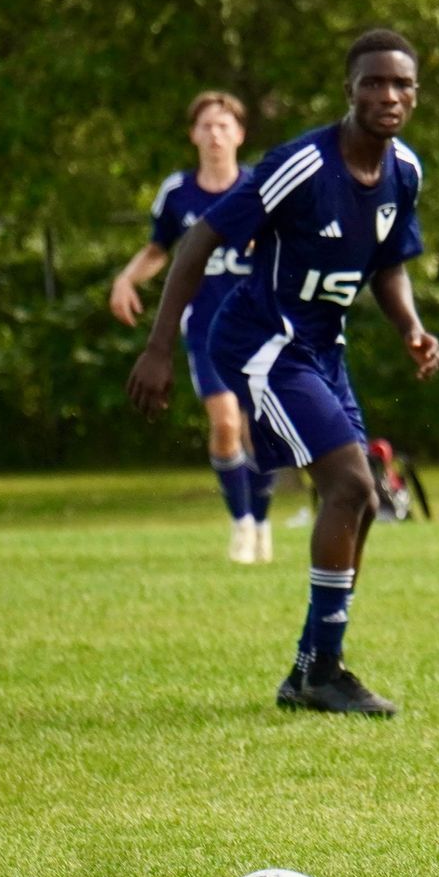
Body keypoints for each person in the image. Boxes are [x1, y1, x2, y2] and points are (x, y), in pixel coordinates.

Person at [126, 30, 439, 717]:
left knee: (362, 500)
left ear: (415, 94)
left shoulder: (405, 172)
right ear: (349, 90)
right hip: (259, 340)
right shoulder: (301, 163)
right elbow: (200, 236)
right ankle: (320, 670)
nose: (389, 96)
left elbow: (388, 265)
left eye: (402, 85)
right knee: (352, 483)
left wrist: (410, 327)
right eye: (374, 83)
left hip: (324, 349)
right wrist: (159, 349)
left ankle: (313, 669)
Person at [110, 91, 276, 562]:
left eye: (224, 126)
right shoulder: (179, 192)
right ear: (193, 135)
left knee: (264, 434)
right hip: (205, 326)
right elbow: (158, 249)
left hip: (260, 329)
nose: (215, 135)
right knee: (225, 425)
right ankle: (241, 524)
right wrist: (126, 278)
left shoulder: (259, 189)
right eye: (206, 126)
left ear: (240, 135)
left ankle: (262, 520)